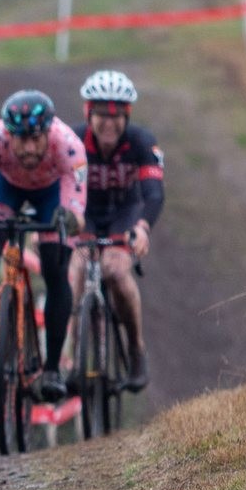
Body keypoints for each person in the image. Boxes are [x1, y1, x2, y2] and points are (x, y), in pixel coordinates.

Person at [0, 88, 87, 402]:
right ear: (7, 135)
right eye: (19, 139)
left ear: (48, 133)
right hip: (5, 187)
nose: (27, 147)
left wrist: (70, 220)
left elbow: (76, 204)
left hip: (54, 192)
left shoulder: (68, 146)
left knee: (55, 264)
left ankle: (52, 369)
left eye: (35, 138)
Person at [69, 70, 164, 393]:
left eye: (116, 116)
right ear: (88, 114)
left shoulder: (142, 142)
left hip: (125, 212)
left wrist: (142, 227)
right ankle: (72, 357)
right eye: (100, 115)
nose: (108, 123)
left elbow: (153, 193)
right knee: (76, 271)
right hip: (85, 214)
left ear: (126, 116)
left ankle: (136, 351)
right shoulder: (73, 140)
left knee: (115, 270)